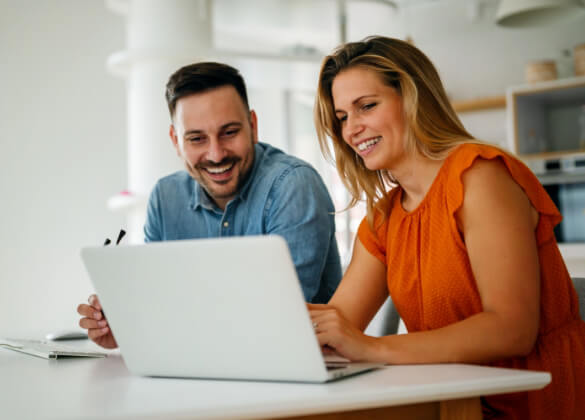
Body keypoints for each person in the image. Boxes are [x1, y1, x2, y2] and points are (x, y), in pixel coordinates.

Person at [309, 36, 585, 420]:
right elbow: (334, 328)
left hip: (529, 399)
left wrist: (373, 348)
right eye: (342, 117)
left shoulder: (481, 178)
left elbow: (513, 329)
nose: (352, 129)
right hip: (452, 395)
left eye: (366, 106)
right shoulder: (385, 219)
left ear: (413, 98)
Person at [78, 62, 342, 349]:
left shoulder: (293, 185)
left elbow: (280, 319)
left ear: (253, 127)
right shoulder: (165, 198)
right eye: (197, 138)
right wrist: (127, 326)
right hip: (198, 370)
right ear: (176, 141)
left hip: (291, 371)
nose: (216, 154)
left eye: (229, 132)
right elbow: (157, 302)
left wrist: (160, 321)